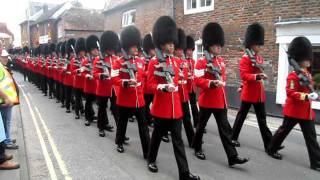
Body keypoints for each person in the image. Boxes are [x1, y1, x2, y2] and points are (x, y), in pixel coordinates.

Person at [147, 16, 200, 180]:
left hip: (175, 108)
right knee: (156, 137)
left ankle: (184, 173)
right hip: (161, 108)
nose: (172, 46)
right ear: (162, 44)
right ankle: (151, 159)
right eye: (169, 43)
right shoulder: (154, 62)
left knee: (178, 141)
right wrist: (162, 87)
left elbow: (178, 83)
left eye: (173, 43)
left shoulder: (177, 62)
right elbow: (149, 85)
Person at [191, 22, 249, 166]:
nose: (219, 47)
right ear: (209, 45)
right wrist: (210, 83)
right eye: (216, 45)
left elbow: (222, 77)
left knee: (224, 130)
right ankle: (197, 148)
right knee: (200, 127)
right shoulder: (201, 62)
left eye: (219, 45)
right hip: (206, 101)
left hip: (220, 101)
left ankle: (232, 156)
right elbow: (197, 80)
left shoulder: (221, 61)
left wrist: (220, 82)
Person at [267, 36, 320, 171]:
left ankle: (316, 162)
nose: (309, 61)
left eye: (309, 59)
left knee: (311, 137)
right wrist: (307, 96)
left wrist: (314, 93)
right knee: (283, 131)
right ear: (300, 59)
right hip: (294, 111)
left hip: (306, 112)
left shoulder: (307, 74)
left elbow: (310, 87)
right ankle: (271, 148)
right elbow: (290, 92)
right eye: (306, 59)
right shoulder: (293, 75)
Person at [231, 23, 273, 151]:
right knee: (241, 117)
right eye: (258, 44)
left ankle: (270, 144)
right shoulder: (245, 58)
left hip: (258, 94)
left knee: (262, 120)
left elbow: (258, 70)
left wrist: (260, 74)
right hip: (249, 93)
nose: (259, 46)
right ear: (251, 44)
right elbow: (244, 75)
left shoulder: (258, 57)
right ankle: (233, 137)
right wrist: (258, 76)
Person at [111, 25, 150, 158]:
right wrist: (125, 83)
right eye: (133, 47)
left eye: (136, 46)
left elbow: (144, 75)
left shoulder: (140, 61)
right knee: (122, 123)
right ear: (127, 47)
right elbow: (114, 78)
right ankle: (119, 142)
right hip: (124, 98)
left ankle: (147, 151)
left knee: (143, 127)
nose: (136, 49)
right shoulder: (118, 62)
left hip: (139, 99)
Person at [175, 28, 195, 147]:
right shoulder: (170, 62)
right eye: (179, 49)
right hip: (175, 95)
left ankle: (192, 140)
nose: (181, 51)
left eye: (181, 49)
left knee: (187, 118)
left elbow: (186, 78)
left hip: (184, 94)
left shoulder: (184, 62)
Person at [0, 49, 19, 149]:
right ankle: (6, 141)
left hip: (7, 99)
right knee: (5, 121)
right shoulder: (2, 68)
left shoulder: (4, 67)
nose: (6, 58)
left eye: (6, 57)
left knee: (6, 121)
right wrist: (7, 98)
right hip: (4, 100)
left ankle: (7, 138)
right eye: (3, 57)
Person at [83, 35, 98, 126]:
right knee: (88, 103)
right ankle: (87, 118)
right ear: (90, 51)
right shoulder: (85, 61)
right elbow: (82, 72)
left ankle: (94, 117)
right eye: (94, 49)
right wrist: (87, 75)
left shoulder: (100, 60)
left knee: (97, 103)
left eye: (97, 49)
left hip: (96, 85)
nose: (96, 51)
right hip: (89, 85)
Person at [142, 34, 156, 127]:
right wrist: (149, 73)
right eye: (152, 49)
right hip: (146, 87)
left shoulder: (157, 59)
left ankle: (153, 119)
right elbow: (141, 72)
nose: (154, 51)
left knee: (155, 106)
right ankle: (147, 120)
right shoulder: (144, 59)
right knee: (146, 105)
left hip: (154, 87)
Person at [185, 36, 199, 128]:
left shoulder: (193, 61)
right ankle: (187, 123)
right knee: (185, 108)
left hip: (192, 87)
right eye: (188, 50)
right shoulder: (182, 61)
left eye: (191, 50)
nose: (190, 52)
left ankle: (197, 123)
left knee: (194, 106)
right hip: (185, 87)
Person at [73, 38, 86, 119]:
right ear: (79, 51)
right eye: (82, 51)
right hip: (77, 83)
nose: (83, 53)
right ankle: (77, 112)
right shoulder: (74, 60)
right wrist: (79, 70)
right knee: (78, 99)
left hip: (83, 82)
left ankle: (82, 110)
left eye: (84, 51)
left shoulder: (85, 59)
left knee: (85, 99)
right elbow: (72, 71)